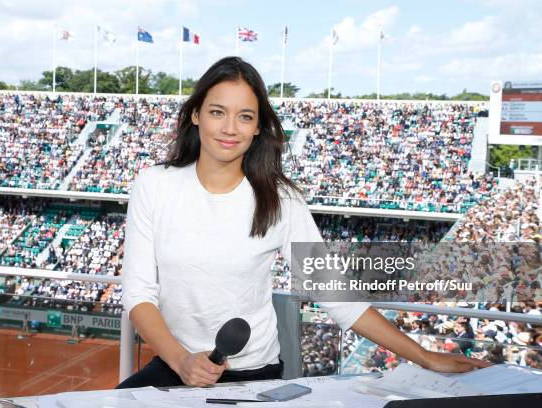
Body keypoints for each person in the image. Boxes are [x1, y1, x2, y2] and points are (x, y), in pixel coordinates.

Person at [116, 56, 490, 389]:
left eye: (245, 116)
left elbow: (337, 298)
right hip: (174, 365)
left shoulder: (281, 199)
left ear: (259, 127)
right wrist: (182, 361)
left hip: (254, 376)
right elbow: (139, 295)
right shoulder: (153, 185)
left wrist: (425, 356)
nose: (230, 128)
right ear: (195, 115)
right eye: (217, 112)